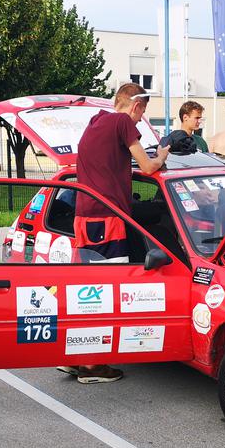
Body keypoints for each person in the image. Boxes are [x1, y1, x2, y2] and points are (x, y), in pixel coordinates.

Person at [59, 82, 170, 384]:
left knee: (88, 292)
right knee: (105, 294)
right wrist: (162, 156)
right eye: (142, 113)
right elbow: (148, 167)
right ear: (135, 106)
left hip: (84, 217)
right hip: (107, 217)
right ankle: (94, 367)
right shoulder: (122, 121)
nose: (140, 120)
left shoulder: (96, 120)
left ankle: (76, 358)